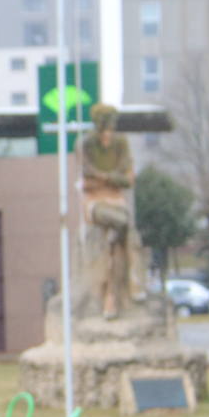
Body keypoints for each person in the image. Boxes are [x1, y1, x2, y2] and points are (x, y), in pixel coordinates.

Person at [79, 103, 146, 318]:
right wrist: (111, 179)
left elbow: (127, 179)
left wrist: (104, 179)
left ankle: (119, 292)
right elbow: (87, 180)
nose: (108, 133)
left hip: (117, 201)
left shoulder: (121, 144)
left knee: (124, 241)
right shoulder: (86, 144)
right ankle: (115, 294)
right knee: (120, 227)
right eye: (104, 127)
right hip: (95, 203)